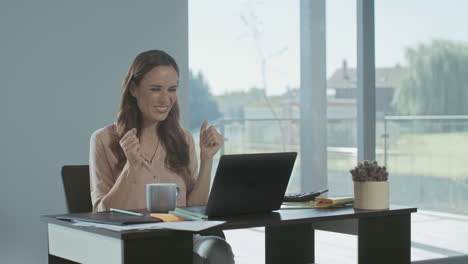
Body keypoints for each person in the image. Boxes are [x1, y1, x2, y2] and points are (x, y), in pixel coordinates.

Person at [89, 50, 235, 264]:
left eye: (172, 90)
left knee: (218, 248)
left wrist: (206, 159)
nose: (166, 99)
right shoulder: (103, 140)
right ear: (133, 89)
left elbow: (194, 209)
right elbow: (103, 213)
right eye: (156, 89)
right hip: (130, 246)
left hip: (182, 240)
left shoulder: (182, 138)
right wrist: (132, 167)